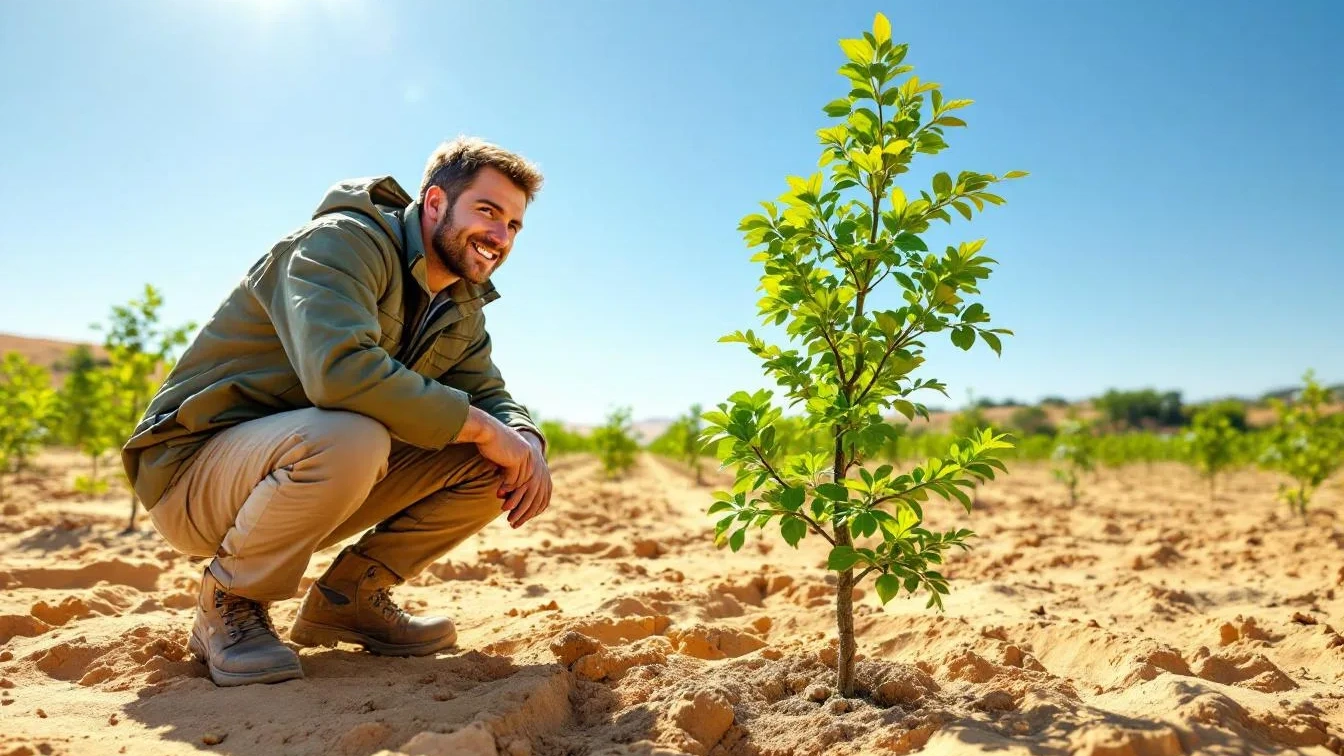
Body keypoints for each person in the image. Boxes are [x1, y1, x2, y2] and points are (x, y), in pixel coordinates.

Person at [121, 137, 552, 686]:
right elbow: (339, 372)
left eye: (514, 225)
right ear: (436, 203)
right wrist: (483, 426)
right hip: (191, 471)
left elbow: (488, 393)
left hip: (300, 471)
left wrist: (522, 436)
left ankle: (350, 598)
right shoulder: (343, 243)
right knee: (355, 433)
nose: (500, 236)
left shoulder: (459, 304)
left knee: (499, 460)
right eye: (487, 211)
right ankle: (229, 602)